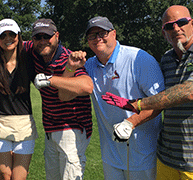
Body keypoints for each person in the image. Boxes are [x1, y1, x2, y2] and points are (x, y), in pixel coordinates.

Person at [102, 5, 193, 180]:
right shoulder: (166, 59)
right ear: (164, 33)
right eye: (169, 26)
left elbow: (191, 91)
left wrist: (139, 104)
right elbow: (161, 101)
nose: (176, 28)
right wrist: (131, 121)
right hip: (166, 157)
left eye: (181, 22)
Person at [0, 18, 93, 180]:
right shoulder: (34, 51)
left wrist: (50, 79)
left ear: (57, 36)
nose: (43, 41)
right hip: (51, 128)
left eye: (47, 36)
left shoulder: (68, 58)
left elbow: (87, 86)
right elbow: (4, 44)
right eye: (38, 37)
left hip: (71, 127)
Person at [69, 16, 165, 180]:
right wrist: (70, 68)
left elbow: (160, 101)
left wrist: (131, 122)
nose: (98, 38)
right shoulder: (90, 65)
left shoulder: (139, 59)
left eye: (102, 33)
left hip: (144, 155)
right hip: (111, 156)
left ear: (113, 33)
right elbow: (66, 93)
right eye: (92, 35)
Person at [0, 18, 38, 180]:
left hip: (24, 124)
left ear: (18, 36)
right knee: (5, 175)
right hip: (0, 124)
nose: (8, 39)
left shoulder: (29, 60)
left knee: (19, 177)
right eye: (3, 35)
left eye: (12, 34)